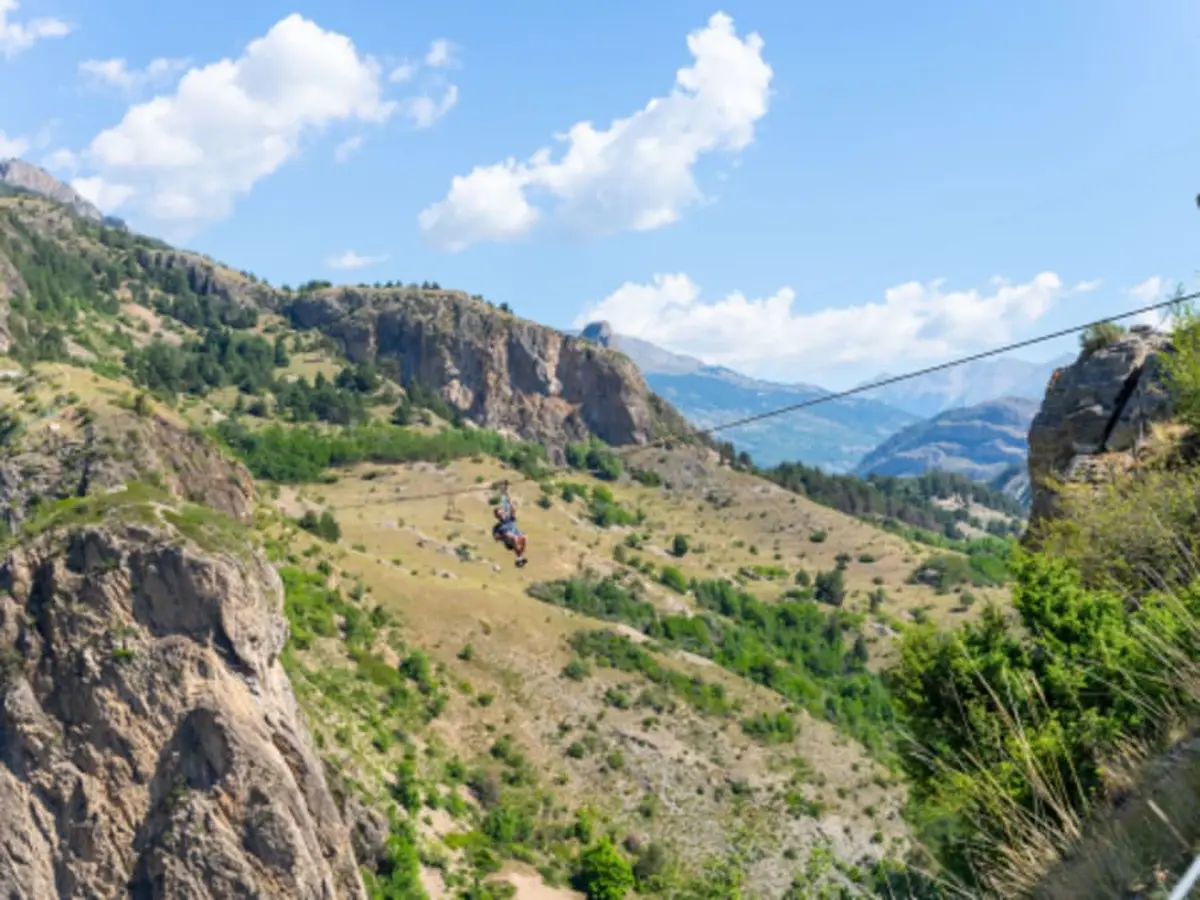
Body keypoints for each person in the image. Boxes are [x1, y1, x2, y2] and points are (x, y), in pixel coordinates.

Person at [492, 484, 527, 567]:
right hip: (509, 541)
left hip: (516, 537)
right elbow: (496, 538)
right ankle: (519, 556)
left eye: (501, 513)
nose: (501, 515)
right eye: (499, 515)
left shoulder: (510, 519)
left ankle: (520, 557)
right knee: (512, 537)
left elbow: (512, 509)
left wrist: (506, 494)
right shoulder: (497, 527)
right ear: (497, 517)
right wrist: (503, 536)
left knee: (524, 537)